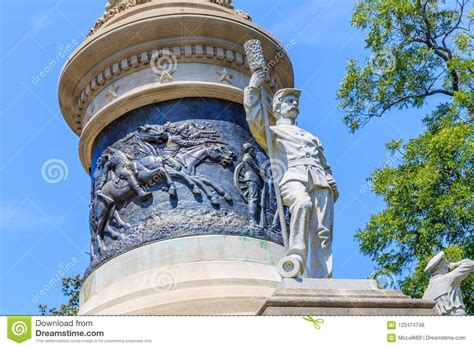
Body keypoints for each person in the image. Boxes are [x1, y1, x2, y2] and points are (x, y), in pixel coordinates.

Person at [244, 70, 338, 278]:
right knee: (302, 203)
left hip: (321, 183)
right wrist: (254, 87)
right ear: (276, 108)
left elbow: (324, 164)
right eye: (288, 101)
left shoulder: (311, 136)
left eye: (295, 101)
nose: (294, 104)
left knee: (322, 233)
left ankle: (323, 277)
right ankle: (296, 257)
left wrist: (331, 184)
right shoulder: (274, 133)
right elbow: (255, 120)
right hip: (292, 178)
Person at [423, 251, 474, 316]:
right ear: (442, 267)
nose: (448, 266)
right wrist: (457, 264)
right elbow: (470, 264)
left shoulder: (426, 294)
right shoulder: (448, 278)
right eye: (446, 264)